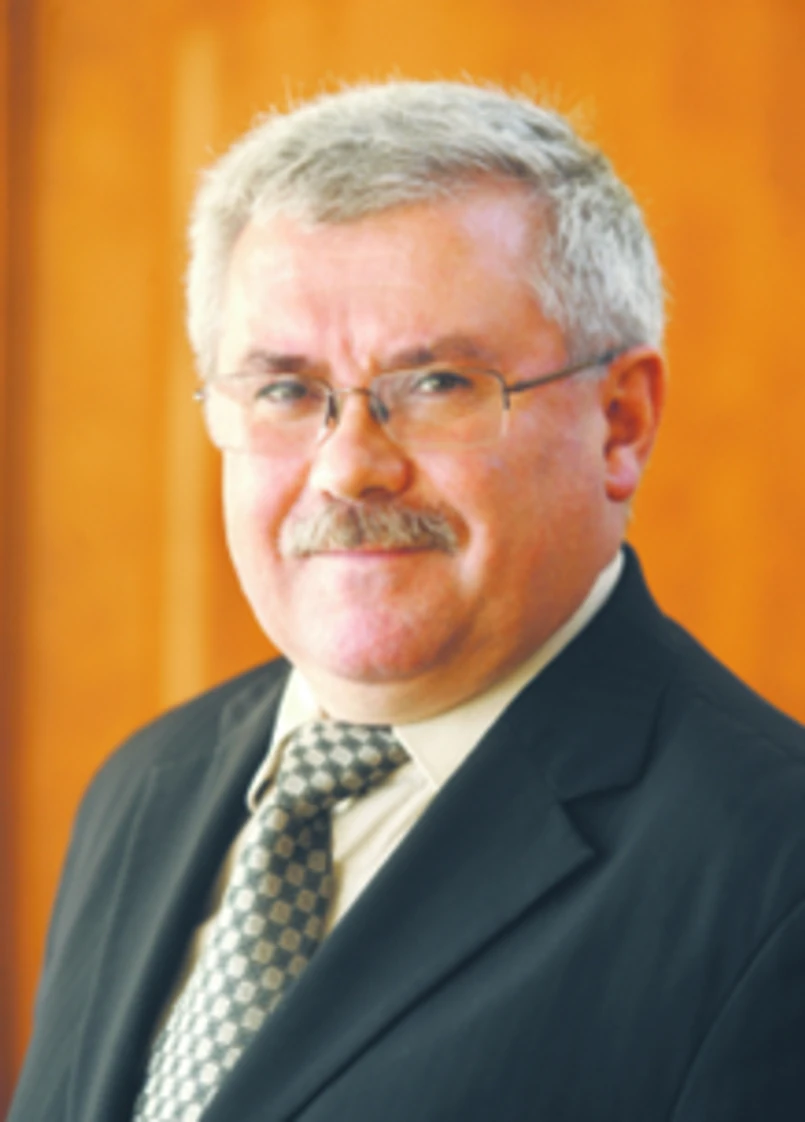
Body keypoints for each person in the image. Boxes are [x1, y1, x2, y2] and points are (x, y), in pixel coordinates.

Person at [10, 80, 805, 1122]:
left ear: (619, 422)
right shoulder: (146, 786)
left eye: (436, 384)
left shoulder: (772, 872)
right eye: (286, 391)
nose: (348, 467)